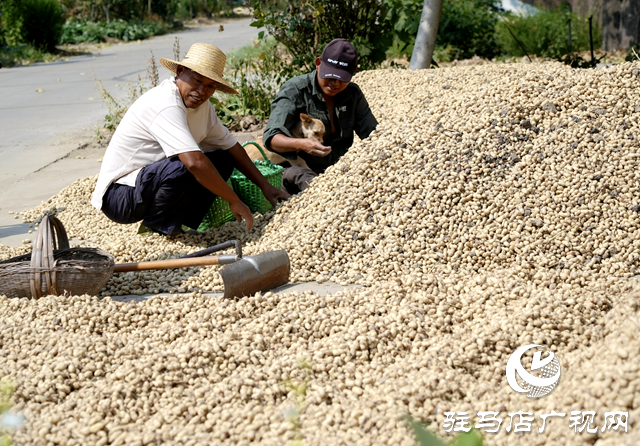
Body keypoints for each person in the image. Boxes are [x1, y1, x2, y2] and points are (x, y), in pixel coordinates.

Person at [91, 43, 289, 236]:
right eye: (196, 80)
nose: (202, 91)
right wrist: (234, 200)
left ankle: (179, 226)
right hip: (120, 196)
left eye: (210, 86)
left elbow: (232, 147)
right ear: (180, 71)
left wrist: (266, 187)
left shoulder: (204, 108)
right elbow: (194, 163)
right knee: (188, 164)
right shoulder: (165, 103)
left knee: (223, 158)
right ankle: (159, 229)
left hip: (147, 186)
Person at [262, 38, 378, 194]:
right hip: (299, 169)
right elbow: (271, 138)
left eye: (341, 78)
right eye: (329, 75)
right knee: (305, 180)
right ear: (318, 64)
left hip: (340, 170)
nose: (334, 83)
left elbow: (374, 135)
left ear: (353, 73)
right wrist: (303, 145)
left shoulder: (353, 94)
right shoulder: (295, 90)